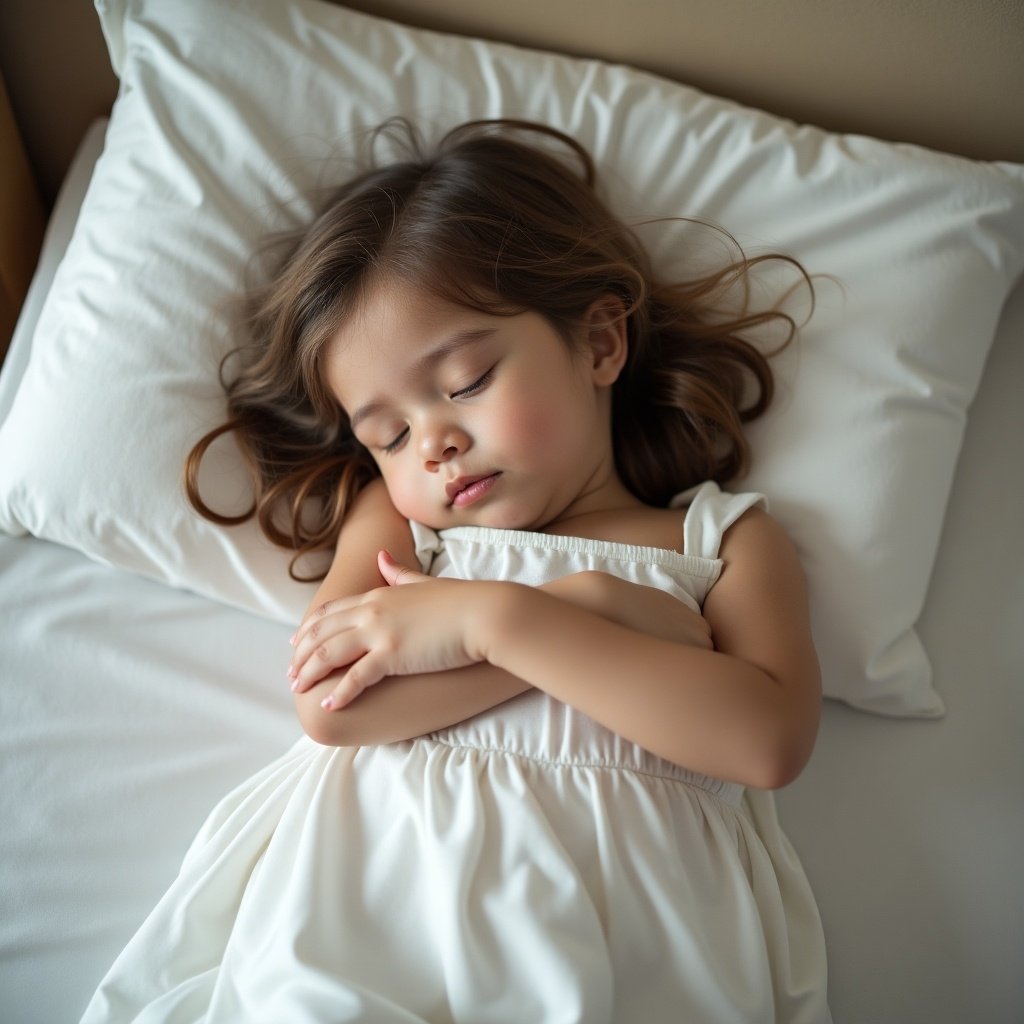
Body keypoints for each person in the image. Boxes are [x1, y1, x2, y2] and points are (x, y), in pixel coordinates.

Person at [81, 119, 830, 1022]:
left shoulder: (721, 545)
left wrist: (501, 623)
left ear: (599, 343)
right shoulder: (399, 522)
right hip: (383, 915)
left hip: (630, 936)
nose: (431, 443)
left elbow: (765, 743)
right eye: (388, 435)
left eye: (467, 381)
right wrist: (563, 610)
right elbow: (332, 707)